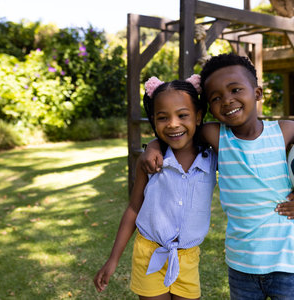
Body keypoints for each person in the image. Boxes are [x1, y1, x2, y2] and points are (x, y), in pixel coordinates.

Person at [141, 53, 294, 300]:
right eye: (216, 98)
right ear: (208, 108)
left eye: (236, 89)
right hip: (242, 264)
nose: (227, 100)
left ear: (257, 93)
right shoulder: (216, 135)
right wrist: (153, 146)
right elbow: (178, 132)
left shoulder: (285, 131)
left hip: (290, 261)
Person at [93, 75, 218, 300]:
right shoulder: (149, 162)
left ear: (198, 116)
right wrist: (113, 259)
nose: (172, 124)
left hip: (188, 259)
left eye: (182, 115)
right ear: (153, 120)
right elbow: (133, 208)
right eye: (163, 117)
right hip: (149, 254)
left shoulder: (212, 157)